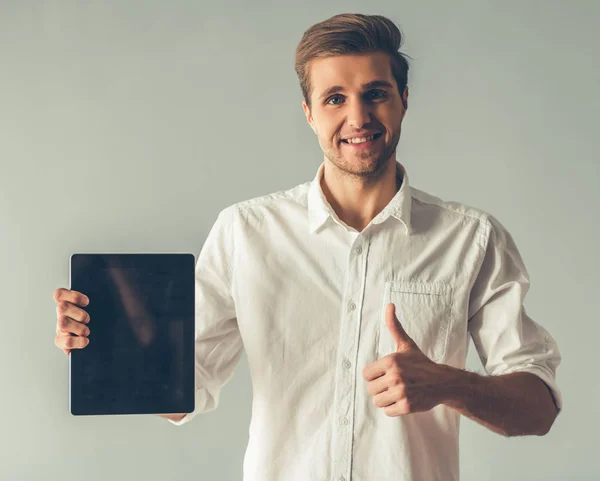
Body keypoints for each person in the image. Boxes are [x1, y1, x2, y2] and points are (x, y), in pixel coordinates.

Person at [53, 13, 562, 481]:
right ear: (309, 113)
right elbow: (178, 395)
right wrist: (101, 344)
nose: (357, 116)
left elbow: (538, 409)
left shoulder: (471, 239)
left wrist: (449, 384)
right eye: (335, 98)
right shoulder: (245, 232)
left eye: (376, 93)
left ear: (405, 98)